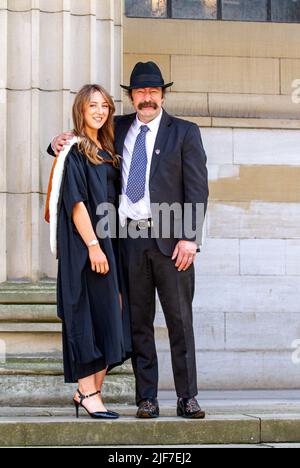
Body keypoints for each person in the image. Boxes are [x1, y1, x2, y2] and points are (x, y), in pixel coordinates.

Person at [49, 62, 209, 420]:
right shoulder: (117, 126)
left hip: (171, 239)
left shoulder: (184, 132)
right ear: (132, 96)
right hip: (129, 239)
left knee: (179, 320)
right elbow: (81, 141)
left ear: (163, 95)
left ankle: (187, 397)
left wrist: (190, 238)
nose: (147, 98)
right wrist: (55, 142)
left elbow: (198, 188)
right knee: (138, 322)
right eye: (140, 92)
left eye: (153, 92)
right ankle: (147, 399)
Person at [47, 84, 131, 420]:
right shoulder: (75, 150)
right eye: (92, 105)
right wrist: (94, 247)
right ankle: (90, 393)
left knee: (112, 316)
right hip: (85, 248)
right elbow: (76, 204)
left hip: (110, 243)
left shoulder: (107, 148)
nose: (99, 111)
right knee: (85, 316)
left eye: (105, 106)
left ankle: (88, 392)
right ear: (80, 109)